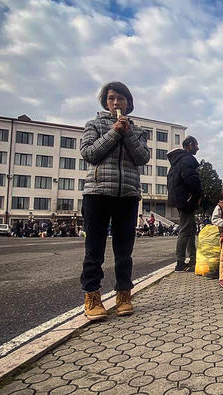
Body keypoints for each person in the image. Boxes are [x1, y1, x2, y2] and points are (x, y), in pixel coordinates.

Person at [79, 81, 151, 321]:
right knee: (94, 250)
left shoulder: (138, 131)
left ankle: (123, 294)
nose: (116, 103)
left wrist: (127, 132)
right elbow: (89, 153)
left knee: (124, 251)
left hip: (127, 195)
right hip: (97, 193)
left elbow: (142, 158)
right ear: (105, 102)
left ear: (128, 103)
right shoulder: (94, 125)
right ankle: (92, 296)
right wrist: (114, 132)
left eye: (121, 98)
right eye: (111, 98)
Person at [167, 136, 203, 272]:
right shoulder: (187, 159)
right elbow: (191, 179)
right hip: (187, 199)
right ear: (189, 145)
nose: (198, 148)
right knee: (185, 229)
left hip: (181, 199)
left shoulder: (177, 161)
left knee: (190, 229)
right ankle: (180, 263)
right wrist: (198, 194)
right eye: (196, 145)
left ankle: (193, 258)